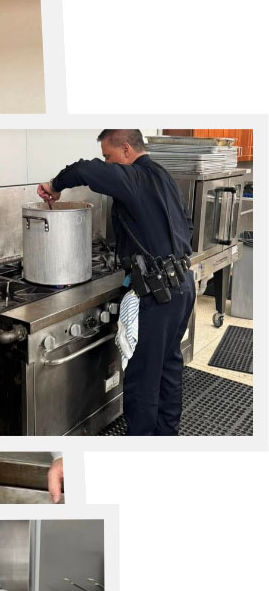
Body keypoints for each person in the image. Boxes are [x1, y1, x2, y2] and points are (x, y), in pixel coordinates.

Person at [36, 129, 196, 435]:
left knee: (142, 380)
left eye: (109, 156)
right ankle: (166, 437)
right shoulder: (164, 176)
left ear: (125, 149)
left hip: (158, 294)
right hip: (182, 284)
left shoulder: (133, 177)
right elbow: (185, 225)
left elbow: (84, 169)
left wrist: (54, 185)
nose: (108, 162)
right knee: (168, 368)